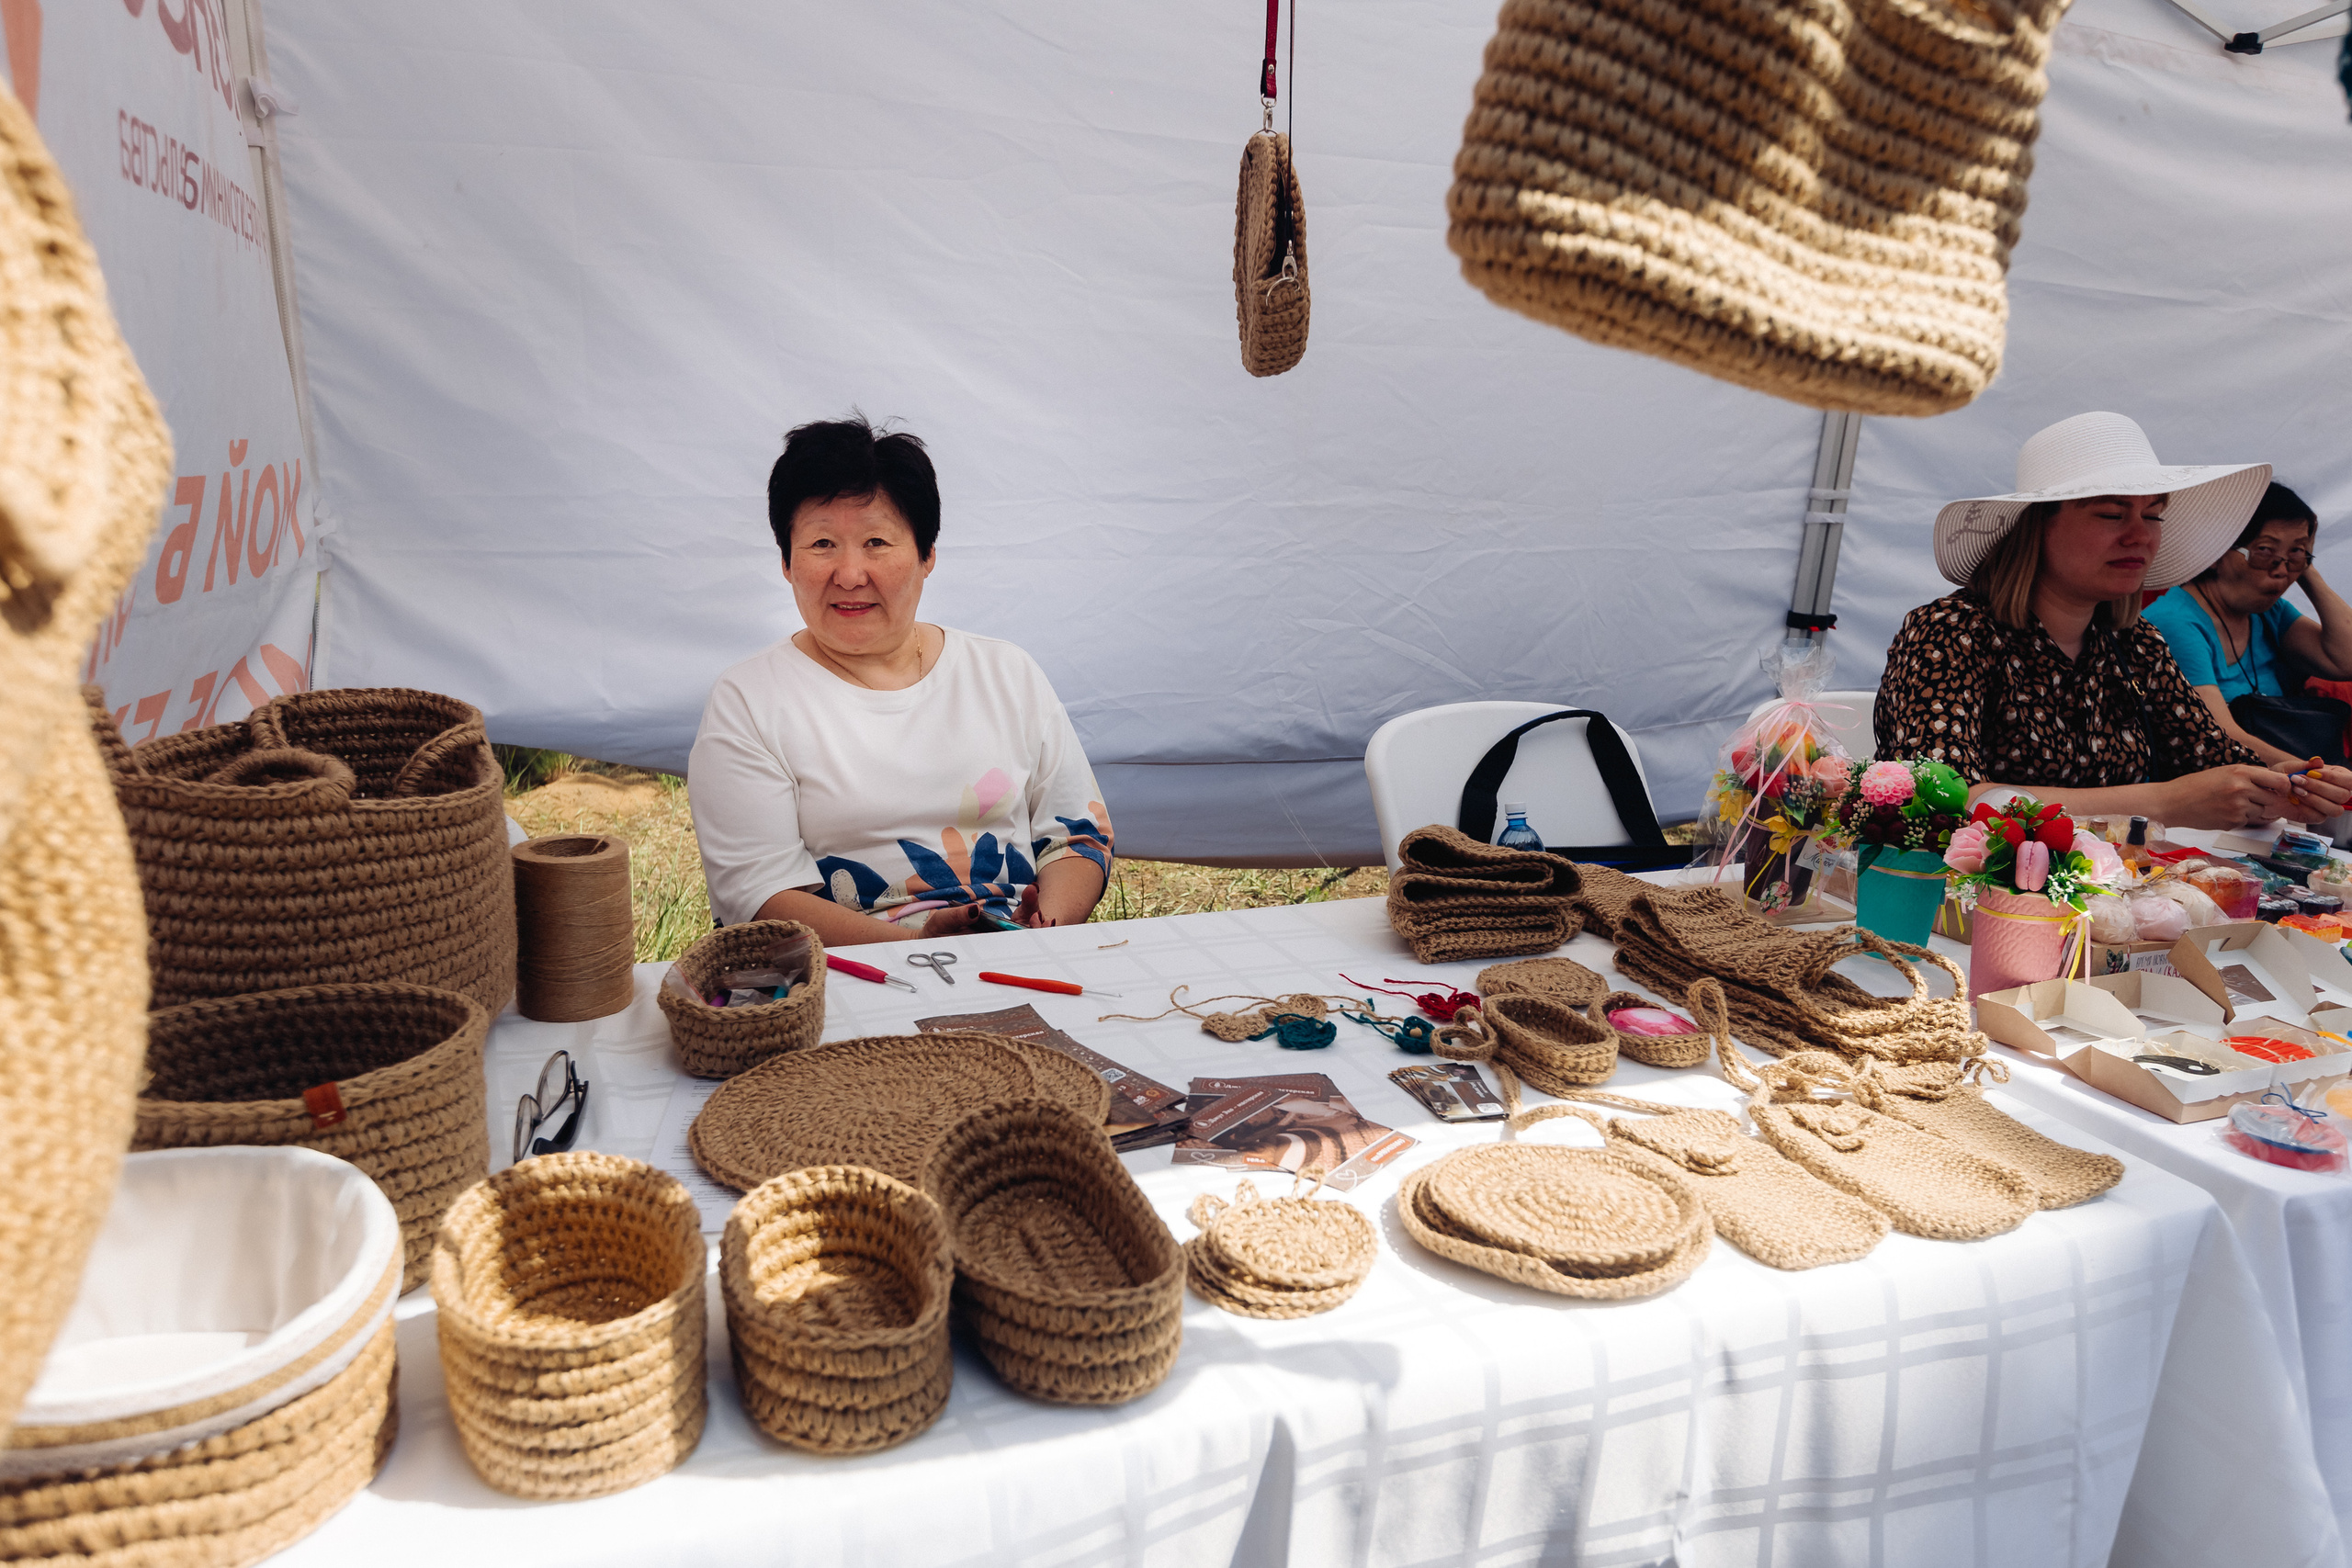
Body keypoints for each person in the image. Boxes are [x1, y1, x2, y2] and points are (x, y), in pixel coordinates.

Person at [687, 415, 1113, 945]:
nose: (849, 575)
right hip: (851, 972)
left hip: (1019, 950)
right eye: (822, 543)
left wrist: (1044, 928)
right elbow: (758, 894)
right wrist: (917, 948)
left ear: (927, 554)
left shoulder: (1006, 672)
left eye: (876, 542)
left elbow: (1077, 834)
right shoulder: (749, 700)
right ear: (786, 562)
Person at [1875, 411, 2352, 830]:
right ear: (2036, 528)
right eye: (2110, 514)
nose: (2140, 536)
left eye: (2154, 516)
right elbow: (1939, 797)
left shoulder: (2136, 643)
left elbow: (2213, 759)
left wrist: (2286, 786)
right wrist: (2164, 802)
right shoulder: (1950, 630)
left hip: (2109, 893)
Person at [2142, 483, 2352, 767]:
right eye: (2264, 551)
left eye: (2295, 555)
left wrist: (2305, 566)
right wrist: (2316, 775)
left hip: (2280, 775)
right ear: (2216, 551)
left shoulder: (2270, 613)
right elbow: (2218, 734)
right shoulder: (2175, 621)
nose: (2281, 571)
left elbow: (2345, 659)